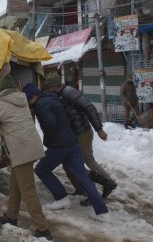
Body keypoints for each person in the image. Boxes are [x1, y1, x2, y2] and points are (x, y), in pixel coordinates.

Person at [21, 83, 109, 219]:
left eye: (28, 100)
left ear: (33, 97)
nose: (27, 103)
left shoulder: (41, 105)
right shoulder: (54, 98)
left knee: (41, 170)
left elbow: (50, 125)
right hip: (72, 142)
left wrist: (48, 142)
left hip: (59, 145)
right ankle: (102, 212)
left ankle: (62, 198)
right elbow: (68, 116)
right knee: (81, 175)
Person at [0, 75, 52, 240]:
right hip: (30, 147)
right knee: (16, 186)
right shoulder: (22, 100)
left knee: (28, 190)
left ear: (1, 90)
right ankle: (11, 217)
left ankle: (43, 229)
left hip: (21, 151)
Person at [44, 76, 117, 206]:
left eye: (49, 88)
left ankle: (93, 190)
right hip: (77, 132)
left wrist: (99, 129)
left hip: (81, 132)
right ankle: (105, 182)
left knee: (73, 165)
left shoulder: (69, 93)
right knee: (89, 160)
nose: (48, 91)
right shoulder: (60, 94)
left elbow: (89, 108)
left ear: (54, 86)